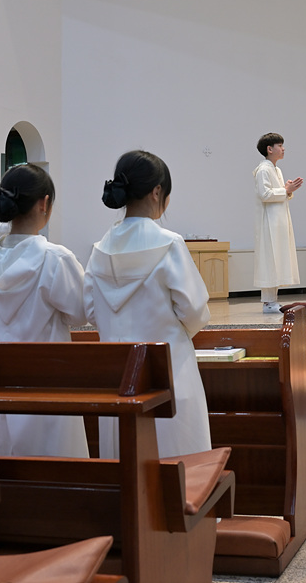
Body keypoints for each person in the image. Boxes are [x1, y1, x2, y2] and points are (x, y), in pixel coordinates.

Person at [85, 150, 211, 458]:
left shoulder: (100, 249)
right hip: (168, 374)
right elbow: (195, 312)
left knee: (124, 461)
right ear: (157, 192)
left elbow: (90, 311)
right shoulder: (169, 243)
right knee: (178, 464)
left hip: (118, 379)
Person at [0, 163, 89, 457]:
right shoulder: (55, 258)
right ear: (44, 203)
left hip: (1, 383)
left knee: (9, 467)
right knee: (57, 468)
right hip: (49, 384)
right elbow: (81, 313)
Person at [254, 132, 302, 314]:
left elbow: (279, 193)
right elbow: (265, 195)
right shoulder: (263, 170)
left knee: (277, 259)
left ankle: (273, 299)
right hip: (269, 221)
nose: (283, 149)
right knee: (269, 260)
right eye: (280, 146)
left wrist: (287, 190)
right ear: (269, 149)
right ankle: (268, 302)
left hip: (278, 220)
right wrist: (285, 190)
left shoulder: (277, 170)